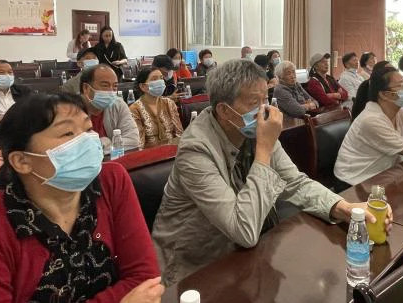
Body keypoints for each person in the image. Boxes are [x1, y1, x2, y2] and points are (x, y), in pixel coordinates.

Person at [152, 59, 390, 285]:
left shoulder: (253, 128)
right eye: (254, 102)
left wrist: (344, 208)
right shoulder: (196, 150)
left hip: (244, 254)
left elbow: (295, 182)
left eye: (265, 99)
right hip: (195, 267)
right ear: (224, 110)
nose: (264, 110)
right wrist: (264, 150)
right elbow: (243, 230)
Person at [0, 93, 163, 302]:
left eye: (88, 129)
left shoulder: (110, 181)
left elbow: (146, 279)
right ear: (22, 161)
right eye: (68, 134)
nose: (87, 142)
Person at [334, 66, 403, 187]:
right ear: (384, 94)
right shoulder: (371, 120)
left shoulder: (401, 111)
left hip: (385, 175)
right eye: (401, 85)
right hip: (355, 182)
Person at [79, 64, 140, 151]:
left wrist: (105, 144)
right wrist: (112, 144)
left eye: (115, 86)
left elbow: (133, 141)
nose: (111, 91)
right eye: (105, 85)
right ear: (86, 88)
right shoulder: (70, 110)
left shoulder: (118, 104)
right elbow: (77, 150)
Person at [130, 68, 183, 147]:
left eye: (161, 78)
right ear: (143, 86)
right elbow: (139, 144)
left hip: (172, 150)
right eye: (154, 79)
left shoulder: (169, 103)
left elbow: (179, 134)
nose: (160, 82)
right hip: (150, 153)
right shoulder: (135, 109)